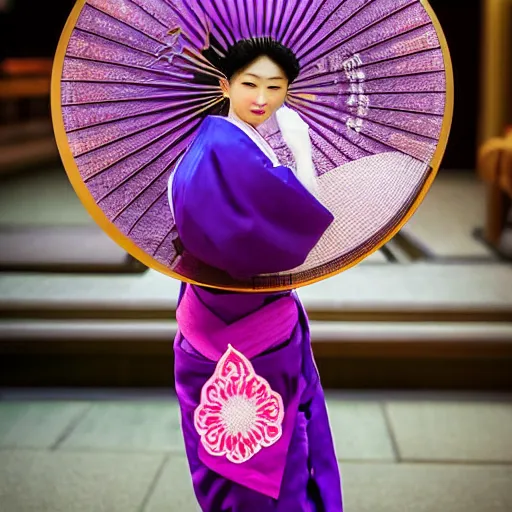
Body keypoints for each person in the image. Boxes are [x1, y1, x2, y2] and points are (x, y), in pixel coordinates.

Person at [168, 37, 343, 511]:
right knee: (277, 461)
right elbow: (303, 221)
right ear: (224, 84)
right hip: (248, 325)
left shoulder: (209, 146)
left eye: (276, 86)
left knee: (233, 463)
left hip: (208, 315)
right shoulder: (230, 152)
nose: (262, 99)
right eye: (250, 84)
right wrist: (302, 152)